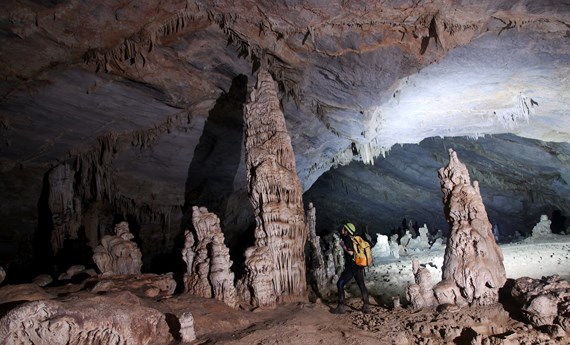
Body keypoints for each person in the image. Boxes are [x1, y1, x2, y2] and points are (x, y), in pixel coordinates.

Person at [332, 222, 370, 314]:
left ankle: (341, 307)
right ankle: (366, 306)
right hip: (359, 265)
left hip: (352, 266)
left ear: (346, 231)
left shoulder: (346, 238)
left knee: (340, 284)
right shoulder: (355, 238)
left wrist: (342, 245)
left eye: (343, 229)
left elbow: (351, 253)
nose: (342, 230)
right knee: (361, 285)